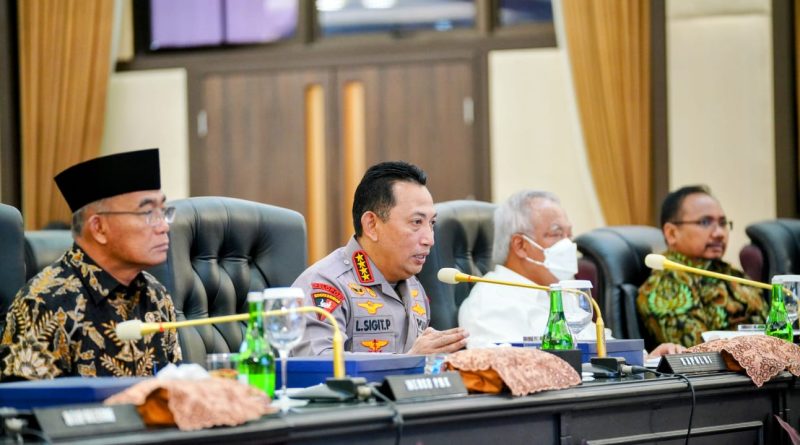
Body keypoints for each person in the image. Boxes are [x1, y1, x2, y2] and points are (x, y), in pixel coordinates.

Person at [0, 149, 182, 380]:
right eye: (148, 212)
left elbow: (175, 387)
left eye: (163, 211)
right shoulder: (44, 303)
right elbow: (25, 402)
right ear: (98, 228)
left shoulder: (156, 295)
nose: (164, 226)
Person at [459, 190, 683, 358]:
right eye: (557, 234)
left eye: (569, 235)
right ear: (520, 245)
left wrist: (648, 361)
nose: (568, 245)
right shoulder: (488, 301)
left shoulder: (566, 291)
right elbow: (505, 373)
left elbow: (603, 351)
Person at [292, 161, 468, 355]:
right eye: (416, 222)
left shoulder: (414, 287)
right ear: (371, 225)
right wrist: (409, 361)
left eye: (432, 223)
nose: (430, 240)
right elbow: (317, 365)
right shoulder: (326, 285)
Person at [637, 185, 768, 347]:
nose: (719, 233)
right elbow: (698, 350)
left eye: (723, 223)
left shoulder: (728, 272)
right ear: (672, 233)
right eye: (705, 222)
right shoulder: (666, 284)